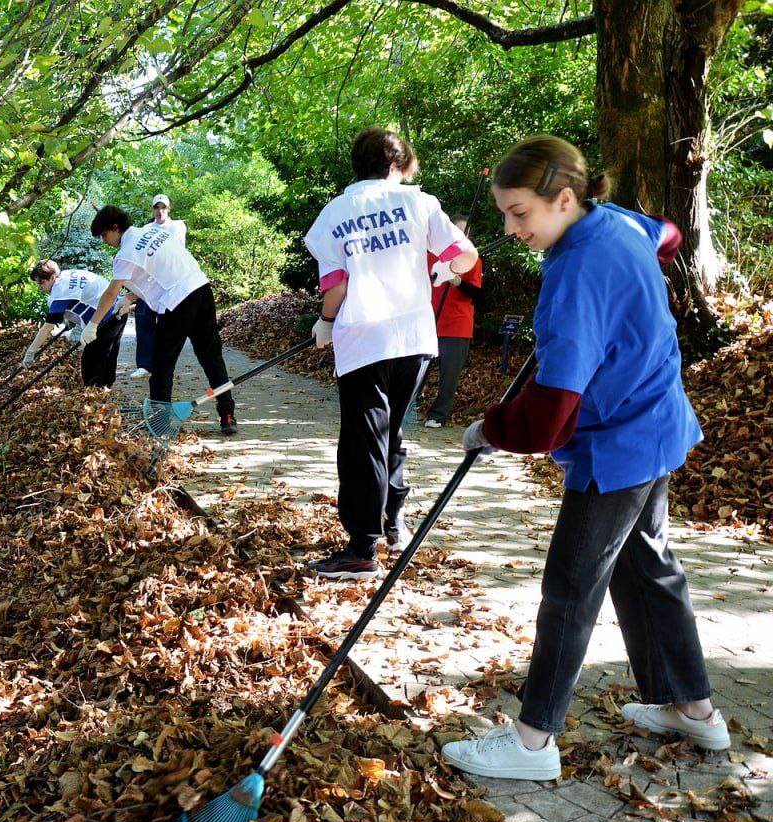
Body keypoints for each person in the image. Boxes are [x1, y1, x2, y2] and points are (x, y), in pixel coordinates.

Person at [442, 135, 728, 782]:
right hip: (657, 421)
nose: (512, 228)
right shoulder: (616, 219)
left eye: (521, 213)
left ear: (564, 198)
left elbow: (548, 418)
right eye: (506, 214)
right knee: (646, 564)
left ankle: (533, 740)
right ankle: (696, 710)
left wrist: (489, 431)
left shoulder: (574, 275)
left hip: (620, 443)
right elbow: (671, 235)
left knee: (571, 588)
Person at [303, 126, 478, 581]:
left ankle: (362, 550)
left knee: (363, 444)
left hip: (363, 340)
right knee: (391, 432)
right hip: (415, 339)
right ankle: (392, 520)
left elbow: (336, 285)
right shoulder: (421, 203)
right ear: (398, 165)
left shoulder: (335, 213)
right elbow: (465, 256)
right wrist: (442, 268)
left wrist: (325, 322)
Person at [87, 204, 238, 435]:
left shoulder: (125, 253)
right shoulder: (153, 232)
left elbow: (109, 293)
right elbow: (158, 272)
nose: (104, 241)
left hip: (178, 301)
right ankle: (227, 414)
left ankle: (160, 425)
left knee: (162, 364)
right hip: (201, 288)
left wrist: (93, 325)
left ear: (115, 228)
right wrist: (128, 297)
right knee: (211, 357)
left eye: (104, 235)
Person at [21, 260, 129, 388]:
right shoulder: (65, 275)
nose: (40, 287)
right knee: (107, 355)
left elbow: (47, 328)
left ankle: (95, 393)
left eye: (41, 283)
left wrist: (31, 351)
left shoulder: (60, 292)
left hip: (108, 316)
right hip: (119, 308)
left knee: (91, 359)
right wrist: (72, 319)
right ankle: (105, 389)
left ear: (52, 277)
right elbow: (79, 298)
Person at [424, 214, 484, 428]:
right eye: (456, 231)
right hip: (428, 322)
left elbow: (477, 294)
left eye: (464, 233)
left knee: (448, 375)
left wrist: (457, 280)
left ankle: (437, 415)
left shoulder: (472, 260)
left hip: (457, 325)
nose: (461, 236)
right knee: (416, 370)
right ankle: (404, 409)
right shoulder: (431, 255)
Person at [128, 194, 187, 379]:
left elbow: (171, 251)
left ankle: (163, 365)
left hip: (169, 282)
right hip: (148, 281)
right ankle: (144, 365)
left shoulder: (177, 226)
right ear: (152, 209)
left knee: (166, 325)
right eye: (157, 207)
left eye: (164, 207)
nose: (160, 211)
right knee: (143, 320)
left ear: (169, 209)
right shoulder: (145, 229)